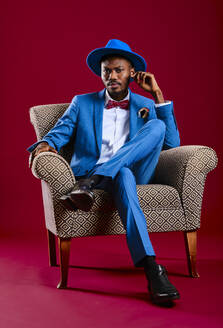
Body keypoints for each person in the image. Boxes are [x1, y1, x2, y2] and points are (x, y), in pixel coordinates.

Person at [28, 39, 180, 305]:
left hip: (127, 172)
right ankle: (152, 268)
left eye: (118, 70)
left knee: (157, 128)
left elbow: (172, 145)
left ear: (132, 73)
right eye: (106, 70)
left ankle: (93, 179)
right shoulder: (82, 103)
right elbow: (59, 133)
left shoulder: (146, 104)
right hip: (114, 177)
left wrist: (158, 96)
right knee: (123, 175)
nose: (111, 76)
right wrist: (44, 145)